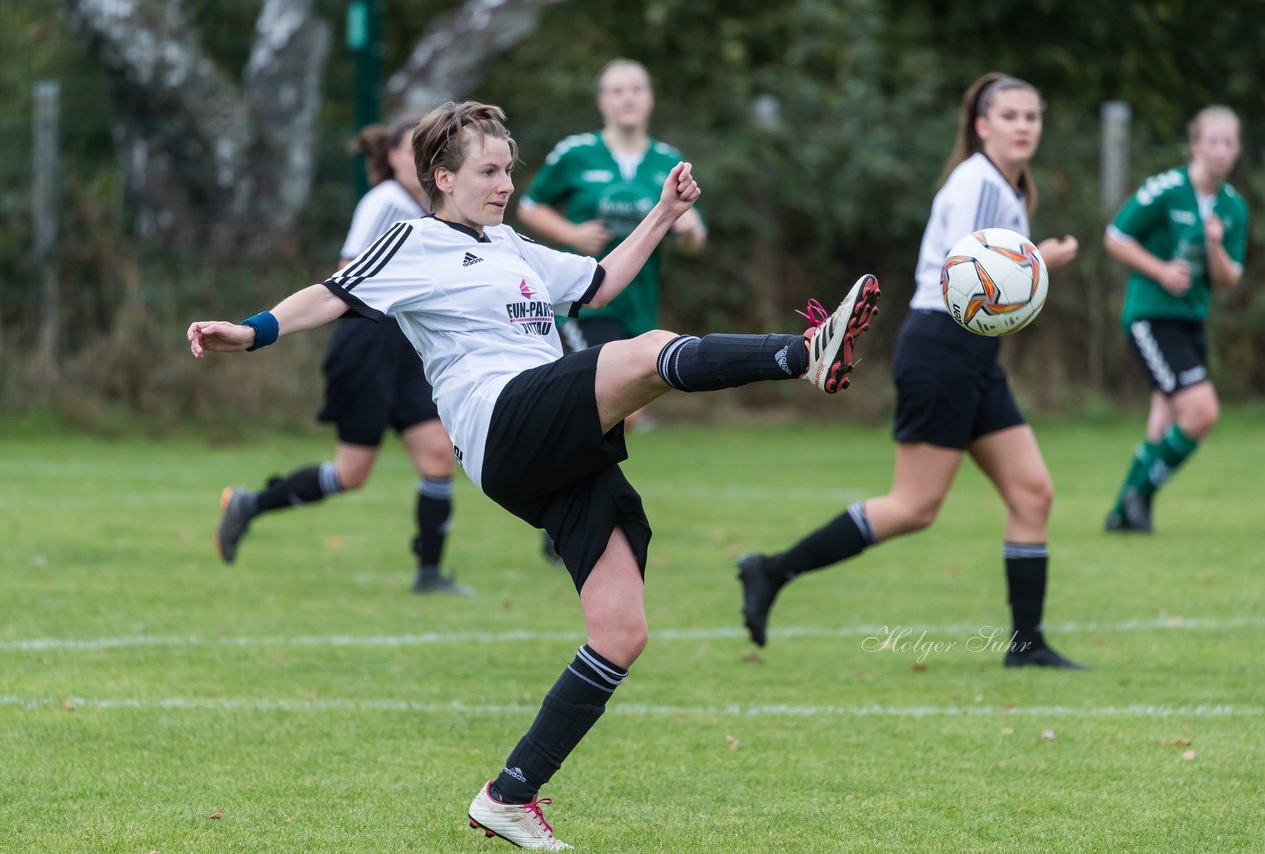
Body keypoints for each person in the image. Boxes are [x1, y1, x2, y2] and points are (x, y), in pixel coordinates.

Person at [187, 100, 880, 849]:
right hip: (501, 420)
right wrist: (250, 332)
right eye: (489, 171)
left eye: (508, 170)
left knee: (621, 630)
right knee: (644, 353)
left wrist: (660, 212)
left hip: (548, 444)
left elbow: (600, 284)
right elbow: (330, 294)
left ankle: (509, 796)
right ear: (443, 177)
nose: (505, 183)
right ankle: (804, 353)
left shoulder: (511, 245)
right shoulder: (414, 240)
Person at [737, 73, 1083, 669]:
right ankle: (771, 570)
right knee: (914, 506)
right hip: (942, 347)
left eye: (1033, 116)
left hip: (973, 354)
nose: (1025, 126)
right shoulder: (978, 181)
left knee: (1033, 492)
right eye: (1011, 116)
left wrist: (1032, 264)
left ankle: (1028, 647)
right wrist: (1040, 261)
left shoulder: (1005, 186)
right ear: (981, 126)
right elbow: (967, 274)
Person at [215, 116, 470, 595]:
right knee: (351, 474)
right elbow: (347, 271)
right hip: (367, 346)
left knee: (437, 455)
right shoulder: (386, 203)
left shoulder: (434, 213)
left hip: (408, 346)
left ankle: (430, 575)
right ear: (392, 157)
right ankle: (251, 504)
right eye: (410, 148)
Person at [519, 58, 707, 566]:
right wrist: (573, 236)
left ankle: (560, 500)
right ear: (603, 100)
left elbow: (697, 234)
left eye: (636, 89)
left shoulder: (667, 160)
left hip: (638, 307)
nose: (627, 98)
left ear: (649, 99)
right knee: (596, 405)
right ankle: (567, 514)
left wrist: (689, 233)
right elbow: (529, 205)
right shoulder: (576, 153)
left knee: (621, 414)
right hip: (582, 306)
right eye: (617, 90)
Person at [1103, 105, 1248, 533]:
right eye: (1213, 141)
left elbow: (1229, 278)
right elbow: (1116, 237)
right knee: (1201, 412)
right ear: (1195, 144)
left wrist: (1215, 246)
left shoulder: (1232, 208)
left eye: (1229, 143)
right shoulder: (1165, 189)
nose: (1221, 151)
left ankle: (1122, 514)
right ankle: (1138, 496)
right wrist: (1160, 270)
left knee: (1164, 418)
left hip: (1192, 318)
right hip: (1151, 316)